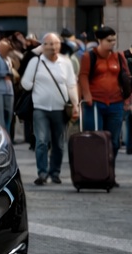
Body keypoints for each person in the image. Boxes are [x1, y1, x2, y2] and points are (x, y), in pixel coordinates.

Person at [20, 32, 78, 185]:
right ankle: (42, 173)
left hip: (60, 109)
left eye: (56, 44)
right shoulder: (36, 62)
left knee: (58, 144)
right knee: (41, 141)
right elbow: (25, 83)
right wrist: (36, 86)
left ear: (60, 45)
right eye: (49, 44)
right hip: (40, 108)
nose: (53, 47)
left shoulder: (65, 63)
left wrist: (76, 104)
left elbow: (71, 85)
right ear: (42, 46)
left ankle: (55, 173)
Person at [78, 26, 130, 157]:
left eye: (114, 40)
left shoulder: (118, 57)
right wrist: (87, 95)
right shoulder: (89, 56)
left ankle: (109, 171)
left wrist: (127, 99)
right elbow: (83, 76)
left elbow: (126, 77)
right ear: (99, 40)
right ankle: (96, 171)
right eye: (109, 40)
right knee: (96, 138)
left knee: (114, 141)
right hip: (95, 103)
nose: (112, 43)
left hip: (116, 102)